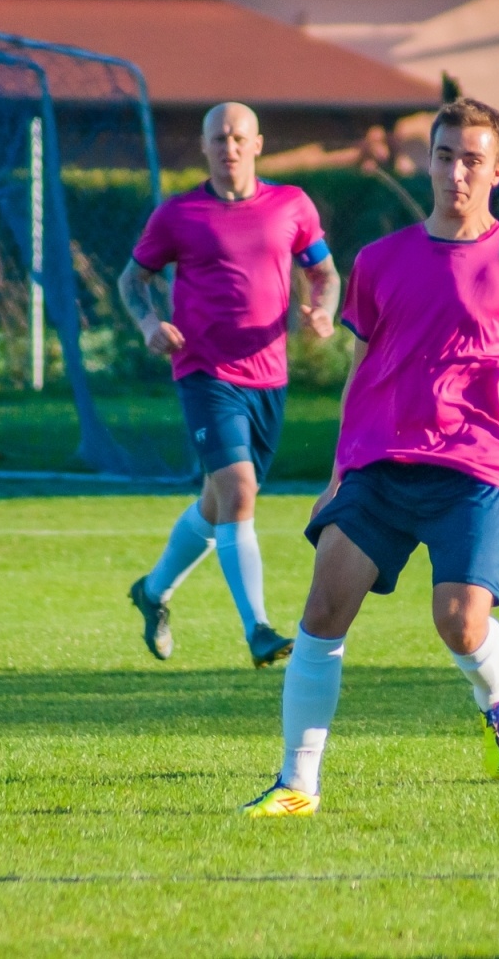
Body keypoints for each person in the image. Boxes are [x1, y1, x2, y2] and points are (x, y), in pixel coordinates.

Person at [241, 98, 499, 817]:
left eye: (472, 159)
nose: (456, 171)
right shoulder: (380, 260)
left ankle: (497, 691)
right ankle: (297, 786)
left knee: (460, 623)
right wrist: (335, 476)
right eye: (446, 156)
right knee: (322, 610)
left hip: (475, 469)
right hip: (381, 461)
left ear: (497, 171)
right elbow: (362, 369)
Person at [119, 102, 340, 668]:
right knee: (240, 490)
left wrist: (322, 310)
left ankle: (153, 591)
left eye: (239, 137)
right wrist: (149, 325)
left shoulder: (291, 205)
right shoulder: (179, 215)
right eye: (218, 138)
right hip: (204, 373)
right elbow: (132, 279)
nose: (229, 147)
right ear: (205, 146)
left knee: (219, 504)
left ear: (258, 144)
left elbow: (324, 272)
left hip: (269, 379)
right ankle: (259, 629)